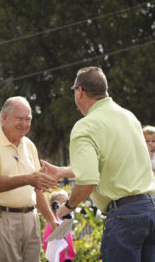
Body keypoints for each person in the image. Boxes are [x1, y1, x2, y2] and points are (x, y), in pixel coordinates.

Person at [42, 66, 155, 262]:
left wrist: (67, 206)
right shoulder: (130, 117)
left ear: (79, 91)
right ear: (105, 90)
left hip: (124, 217)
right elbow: (114, 165)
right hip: (151, 209)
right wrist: (63, 171)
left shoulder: (85, 126)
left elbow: (88, 181)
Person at [0, 96, 58, 262]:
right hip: (0, 219)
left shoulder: (29, 146)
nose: (24, 124)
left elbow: (36, 189)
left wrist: (51, 220)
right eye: (20, 118)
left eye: (28, 119)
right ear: (4, 117)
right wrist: (28, 178)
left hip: (30, 220)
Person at [42, 191, 76, 262]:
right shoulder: (53, 221)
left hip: (67, 258)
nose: (67, 204)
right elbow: (46, 241)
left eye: (67, 201)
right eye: (64, 201)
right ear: (55, 205)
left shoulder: (65, 220)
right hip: (58, 259)